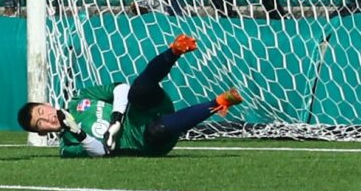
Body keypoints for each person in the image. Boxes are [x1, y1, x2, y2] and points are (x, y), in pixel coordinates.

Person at [17, 34, 243, 157]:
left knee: (137, 91)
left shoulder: (80, 98)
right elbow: (102, 152)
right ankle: (221, 102)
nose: (47, 118)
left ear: (46, 104)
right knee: (156, 129)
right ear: (42, 132)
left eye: (41, 112)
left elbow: (120, 89)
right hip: (147, 139)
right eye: (41, 124)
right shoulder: (67, 146)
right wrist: (76, 131)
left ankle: (175, 50)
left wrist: (116, 119)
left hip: (145, 108)